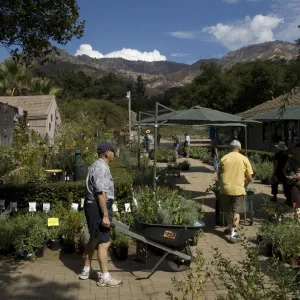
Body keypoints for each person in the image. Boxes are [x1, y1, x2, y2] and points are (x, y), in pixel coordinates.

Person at [79, 142, 123, 288]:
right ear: (106, 153)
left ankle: (86, 270)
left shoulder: (97, 165)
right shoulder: (100, 168)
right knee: (104, 242)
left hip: (94, 206)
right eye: (112, 151)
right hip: (98, 207)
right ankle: (105, 277)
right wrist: (105, 214)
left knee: (94, 238)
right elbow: (100, 193)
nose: (114, 153)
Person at [218, 140, 253, 243]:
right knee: (236, 212)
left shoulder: (224, 158)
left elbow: (219, 175)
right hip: (238, 190)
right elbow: (250, 177)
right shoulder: (244, 159)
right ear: (240, 148)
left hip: (225, 189)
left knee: (228, 211)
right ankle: (233, 235)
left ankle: (229, 228)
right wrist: (244, 185)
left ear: (230, 148)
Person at [284, 143, 300, 217]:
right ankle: (297, 216)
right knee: (295, 199)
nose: (297, 152)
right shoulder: (291, 159)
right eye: (296, 150)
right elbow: (285, 170)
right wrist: (288, 176)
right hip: (294, 182)